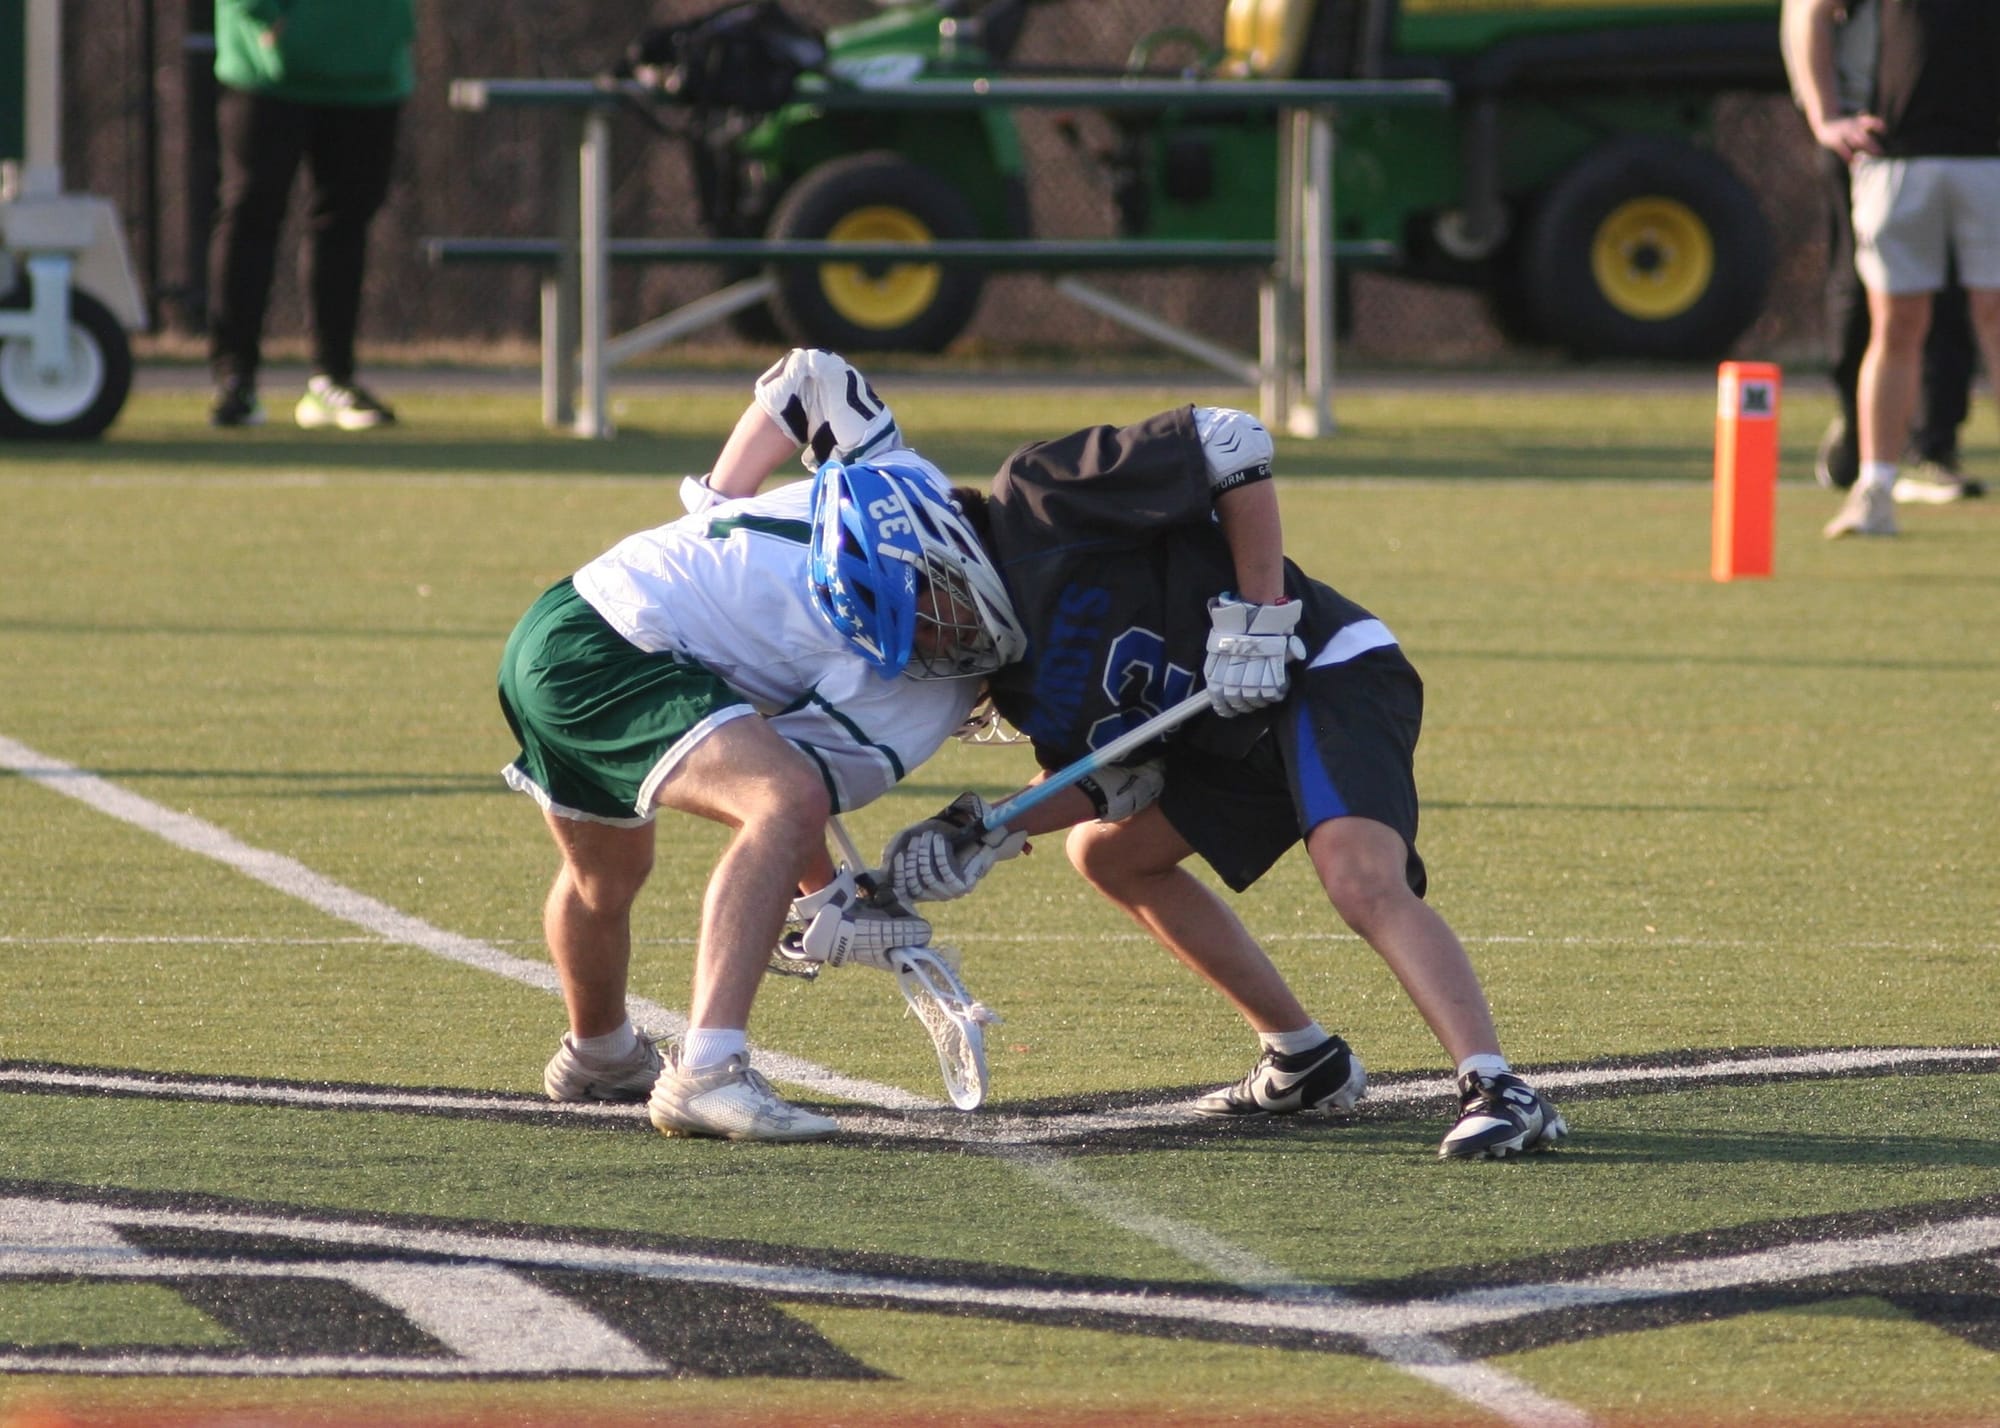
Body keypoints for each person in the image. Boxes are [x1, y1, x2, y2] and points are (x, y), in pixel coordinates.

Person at [876, 398, 1566, 1161]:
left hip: (1320, 668)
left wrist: (1260, 615)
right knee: (1107, 852)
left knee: (1359, 878)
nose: (934, 645)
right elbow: (1122, 778)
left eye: (923, 617)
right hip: (1227, 736)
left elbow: (1232, 440)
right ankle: (1301, 1056)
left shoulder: (1041, 496)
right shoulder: (1019, 684)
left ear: (939, 551)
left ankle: (1499, 1086)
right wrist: (983, 831)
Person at [497, 350, 1026, 1142]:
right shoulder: (915, 694)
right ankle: (707, 1071)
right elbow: (787, 796)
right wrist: (829, 897)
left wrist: (827, 895)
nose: (930, 626)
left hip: (558, 624)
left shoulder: (900, 480)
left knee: (604, 877)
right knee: (778, 802)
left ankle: (599, 1053)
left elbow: (811, 379)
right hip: (616, 645)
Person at [1790, 0, 2000, 538]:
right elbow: (1811, 12)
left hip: (1990, 158)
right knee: (1896, 324)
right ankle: (1875, 490)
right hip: (1899, 155)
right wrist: (1825, 116)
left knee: (1995, 316)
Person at [206, 0, 414, 431]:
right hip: (265, 71)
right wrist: (265, 15)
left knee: (345, 223)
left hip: (369, 67)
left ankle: (333, 379)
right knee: (250, 214)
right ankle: (235, 379)